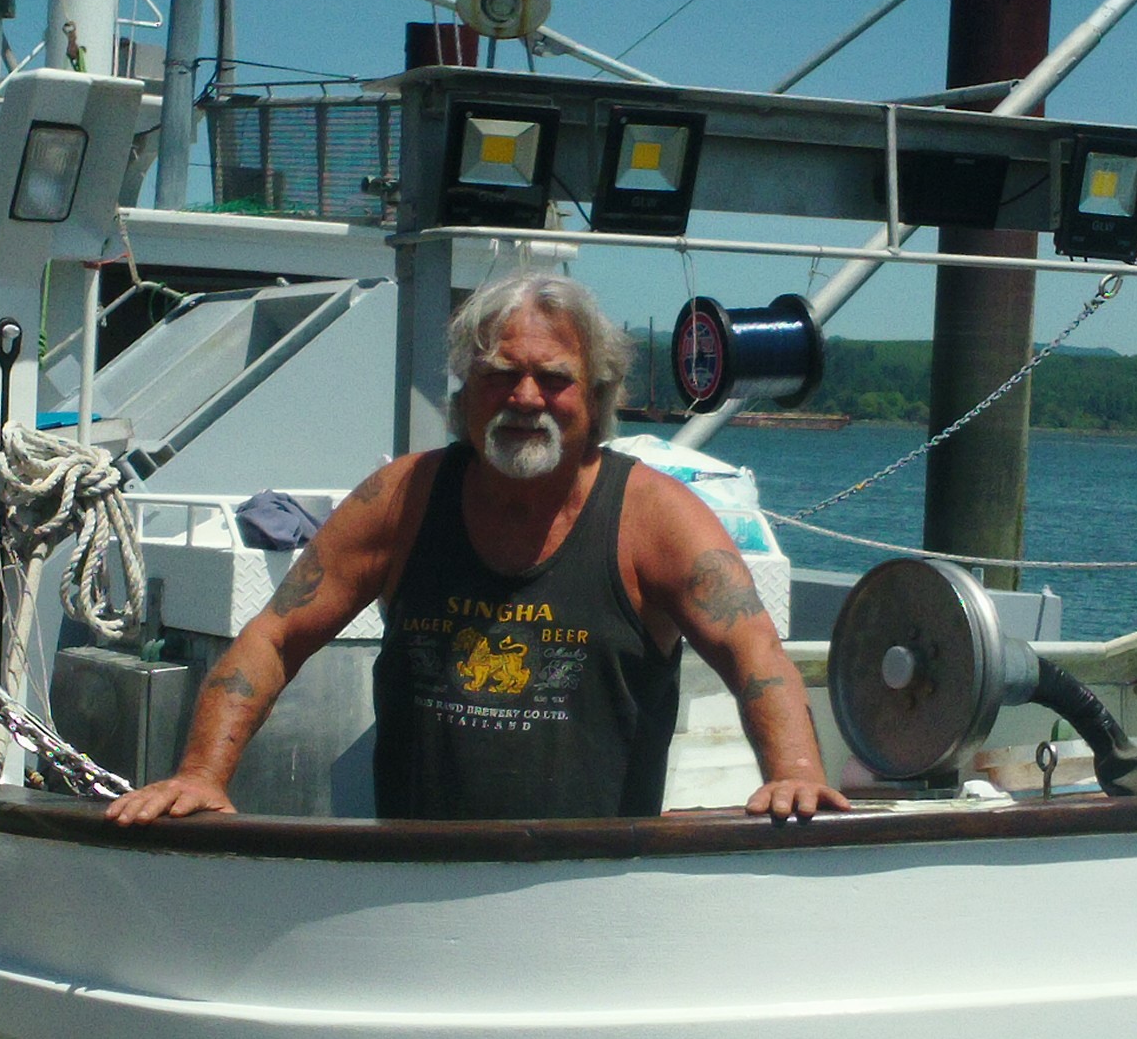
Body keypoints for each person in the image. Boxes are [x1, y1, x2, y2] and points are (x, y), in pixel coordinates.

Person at [108, 271, 849, 825]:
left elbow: (757, 654)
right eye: (500, 374)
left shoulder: (658, 519)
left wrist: (796, 773)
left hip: (593, 890)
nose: (525, 398)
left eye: (553, 379)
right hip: (413, 881)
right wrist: (204, 775)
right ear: (465, 392)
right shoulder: (400, 500)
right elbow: (274, 636)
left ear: (597, 398)